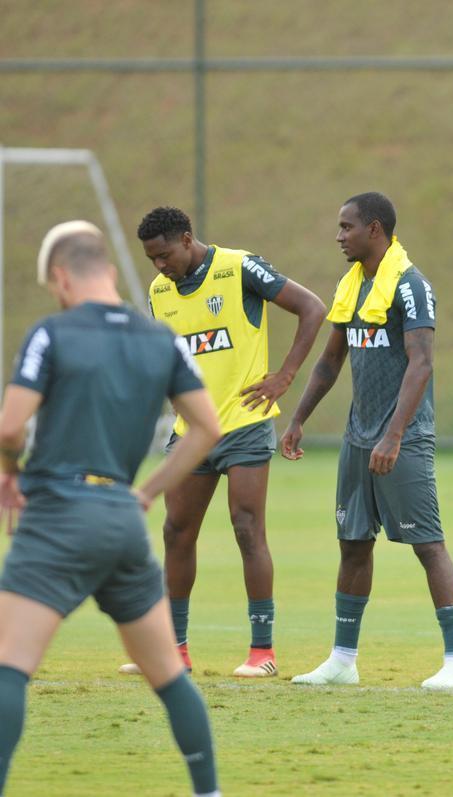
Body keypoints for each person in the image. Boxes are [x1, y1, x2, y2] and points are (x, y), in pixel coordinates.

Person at [0, 222, 223, 795]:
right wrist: (146, 493)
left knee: (9, 667)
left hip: (56, 516)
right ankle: (209, 791)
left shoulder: (52, 333)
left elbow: (8, 427)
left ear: (60, 277)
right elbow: (206, 429)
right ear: (112, 272)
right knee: (170, 679)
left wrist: (9, 473)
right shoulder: (162, 338)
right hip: (123, 522)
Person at [117, 206, 326, 679]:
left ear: (187, 239)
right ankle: (174, 650)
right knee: (175, 532)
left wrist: (285, 376)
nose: (159, 266)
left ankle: (262, 651)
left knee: (247, 527)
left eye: (164, 255)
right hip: (191, 431)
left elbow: (312, 308)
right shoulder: (159, 292)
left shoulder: (240, 267)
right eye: (151, 259)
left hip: (244, 423)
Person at [283, 192, 453, 689]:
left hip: (401, 439)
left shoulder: (411, 286)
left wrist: (394, 435)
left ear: (374, 229)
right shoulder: (353, 284)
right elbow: (330, 360)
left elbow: (422, 363)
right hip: (358, 437)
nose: (339, 236)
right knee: (352, 543)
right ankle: (343, 660)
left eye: (346, 227)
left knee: (427, 545)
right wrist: (299, 417)